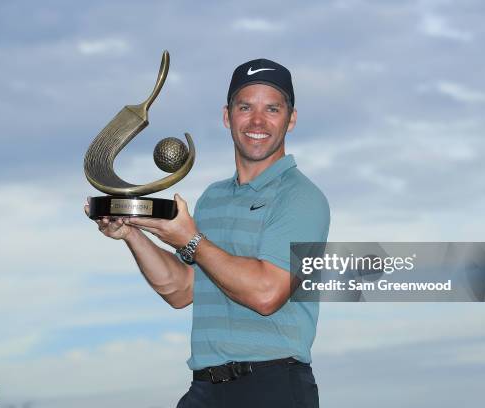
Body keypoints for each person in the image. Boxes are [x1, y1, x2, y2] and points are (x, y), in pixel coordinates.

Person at [85, 58, 330, 407]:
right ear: (227, 116)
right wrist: (133, 235)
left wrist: (190, 240)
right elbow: (182, 289)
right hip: (206, 388)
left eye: (272, 109)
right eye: (245, 107)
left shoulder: (302, 198)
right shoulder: (213, 198)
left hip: (272, 385)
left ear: (290, 120)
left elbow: (266, 293)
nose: (257, 121)